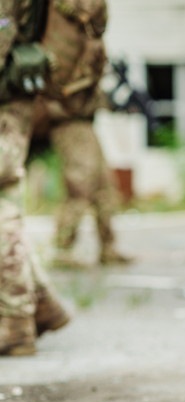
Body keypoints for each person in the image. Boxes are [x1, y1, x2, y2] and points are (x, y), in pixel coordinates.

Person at [32, 0, 131, 268]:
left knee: (103, 184)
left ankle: (107, 246)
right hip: (66, 115)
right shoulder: (62, 16)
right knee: (81, 181)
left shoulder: (84, 28)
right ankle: (62, 247)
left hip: (80, 113)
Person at [0, 0, 71, 355]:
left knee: (3, 212)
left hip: (6, 99)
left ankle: (16, 325)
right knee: (5, 203)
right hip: (11, 97)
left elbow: (3, 28)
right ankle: (42, 306)